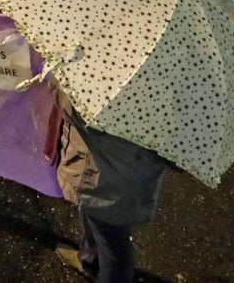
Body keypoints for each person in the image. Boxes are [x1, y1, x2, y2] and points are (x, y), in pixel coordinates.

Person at [53, 85, 169, 283]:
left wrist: (56, 79)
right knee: (97, 222)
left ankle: (104, 270)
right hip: (136, 177)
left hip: (103, 180)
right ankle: (89, 259)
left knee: (114, 247)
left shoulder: (108, 69)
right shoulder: (185, 89)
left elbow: (70, 104)